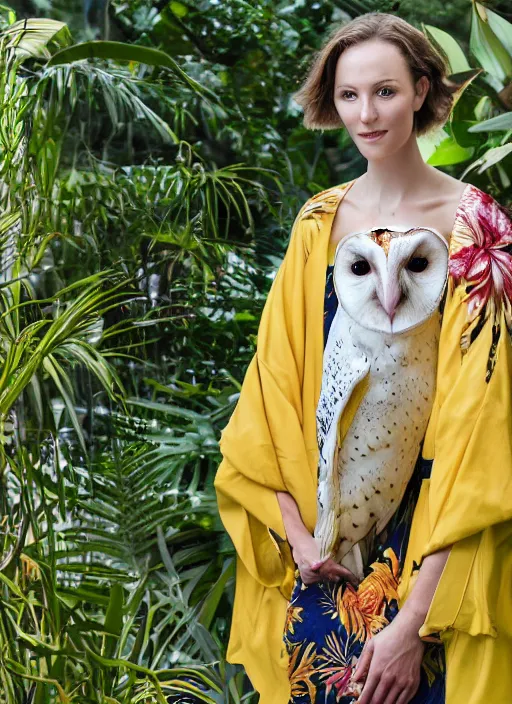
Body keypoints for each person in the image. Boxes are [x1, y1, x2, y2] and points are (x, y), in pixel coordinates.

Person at [214, 11, 512, 704]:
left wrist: (415, 623)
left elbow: (483, 443)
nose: (366, 113)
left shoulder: (480, 229)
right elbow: (270, 398)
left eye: (385, 91)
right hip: (324, 555)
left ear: (422, 90)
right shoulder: (319, 223)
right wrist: (299, 540)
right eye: (349, 95)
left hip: (435, 559)